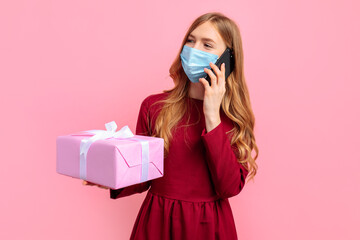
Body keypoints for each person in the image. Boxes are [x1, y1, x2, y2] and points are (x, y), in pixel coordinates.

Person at [83, 12, 259, 240]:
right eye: (190, 40)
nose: (194, 49)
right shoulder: (154, 106)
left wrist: (212, 115)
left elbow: (229, 187)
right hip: (158, 221)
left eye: (207, 44)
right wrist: (111, 178)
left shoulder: (234, 119)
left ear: (227, 59)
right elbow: (145, 173)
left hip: (209, 227)